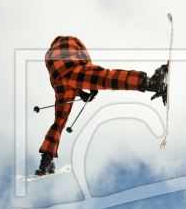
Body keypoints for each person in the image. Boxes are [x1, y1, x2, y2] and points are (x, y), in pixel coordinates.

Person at [35, 36, 167, 176]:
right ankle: (150, 83)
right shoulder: (72, 40)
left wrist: (81, 93)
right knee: (106, 78)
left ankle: (46, 160)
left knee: (59, 121)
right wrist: (91, 86)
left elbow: (67, 78)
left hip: (58, 81)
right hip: (71, 68)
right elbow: (85, 63)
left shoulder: (48, 54)